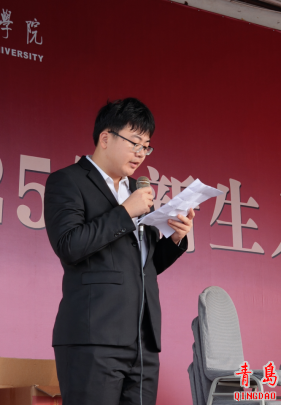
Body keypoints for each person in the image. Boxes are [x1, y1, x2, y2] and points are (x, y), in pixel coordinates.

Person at [44, 98, 195, 405]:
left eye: (147, 146)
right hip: (94, 338)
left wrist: (176, 239)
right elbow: (69, 245)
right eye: (134, 142)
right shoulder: (68, 181)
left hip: (143, 341)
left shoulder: (136, 191)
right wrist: (125, 212)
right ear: (105, 138)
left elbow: (142, 266)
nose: (141, 153)